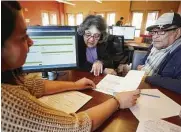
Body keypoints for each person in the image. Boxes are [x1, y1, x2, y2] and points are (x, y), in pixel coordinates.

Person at [1, 1, 140, 131]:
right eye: (23, 37)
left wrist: (75, 84)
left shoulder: (12, 76)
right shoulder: (7, 100)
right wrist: (117, 101)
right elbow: (76, 126)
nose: (31, 42)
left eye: (96, 36)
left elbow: (35, 85)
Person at [137, 12, 181, 94]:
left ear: (178, 32)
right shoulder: (155, 44)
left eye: (161, 31)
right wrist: (140, 66)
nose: (154, 36)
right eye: (154, 32)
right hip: (142, 85)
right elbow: (144, 60)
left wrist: (147, 78)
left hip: (159, 94)